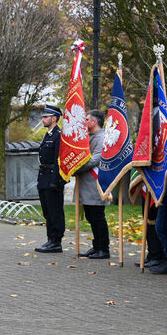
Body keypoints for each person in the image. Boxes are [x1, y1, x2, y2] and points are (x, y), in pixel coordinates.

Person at [72, 110, 110, 259]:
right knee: (90, 216)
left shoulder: (101, 137)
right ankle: (96, 246)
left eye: (86, 119)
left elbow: (96, 159)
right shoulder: (88, 137)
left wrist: (75, 167)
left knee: (97, 216)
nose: (84, 122)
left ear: (94, 122)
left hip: (95, 184)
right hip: (86, 183)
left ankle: (104, 249)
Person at [35, 105, 66, 253]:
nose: (43, 119)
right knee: (47, 211)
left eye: (46, 117)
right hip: (44, 177)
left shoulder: (58, 135)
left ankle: (56, 241)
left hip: (52, 178)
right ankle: (50, 240)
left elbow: (57, 159)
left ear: (54, 118)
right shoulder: (48, 134)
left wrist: (55, 180)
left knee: (55, 211)